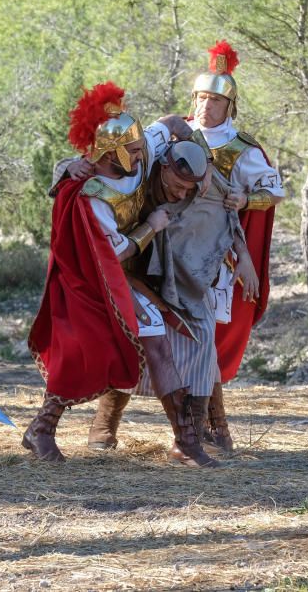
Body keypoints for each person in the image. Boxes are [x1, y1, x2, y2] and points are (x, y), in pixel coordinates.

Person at [25, 82, 218, 467]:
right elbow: (113, 251)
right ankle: (41, 429)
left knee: (159, 344)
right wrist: (152, 226)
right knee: (85, 353)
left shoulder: (140, 151)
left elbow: (171, 124)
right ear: (109, 152)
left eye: (137, 146)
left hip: (121, 278)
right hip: (89, 282)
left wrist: (205, 162)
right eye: (131, 150)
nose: (140, 153)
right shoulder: (94, 194)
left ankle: (185, 442)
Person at [88, 138, 260, 463]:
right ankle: (102, 424)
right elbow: (172, 122)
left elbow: (226, 211)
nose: (183, 195)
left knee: (202, 336)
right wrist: (150, 228)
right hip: (124, 271)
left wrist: (244, 256)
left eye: (188, 189)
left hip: (179, 280)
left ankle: (189, 437)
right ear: (164, 166)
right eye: (178, 186)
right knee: (131, 341)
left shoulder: (202, 183)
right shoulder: (145, 160)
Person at [186, 40, 285, 453]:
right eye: (202, 97)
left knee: (210, 337)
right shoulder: (175, 135)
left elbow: (273, 189)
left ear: (230, 105)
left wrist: (246, 200)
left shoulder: (241, 148)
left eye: (215, 99)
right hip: (172, 246)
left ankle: (211, 426)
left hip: (221, 255)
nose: (207, 106)